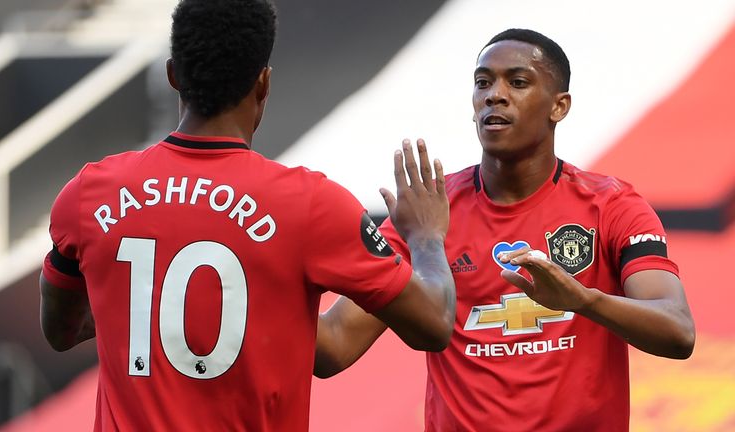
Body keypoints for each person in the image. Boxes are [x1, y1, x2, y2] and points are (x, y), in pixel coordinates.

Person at [38, 0, 456, 430]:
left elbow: (61, 331)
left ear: (173, 76)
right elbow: (435, 324)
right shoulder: (309, 205)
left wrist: (137, 308)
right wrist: (423, 238)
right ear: (263, 83)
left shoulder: (90, 194)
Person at [314, 28, 696, 431]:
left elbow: (677, 331)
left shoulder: (612, 206)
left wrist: (583, 300)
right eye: (483, 83)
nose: (494, 95)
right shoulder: (429, 217)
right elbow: (334, 347)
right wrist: (272, 270)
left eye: (517, 82)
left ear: (559, 106)